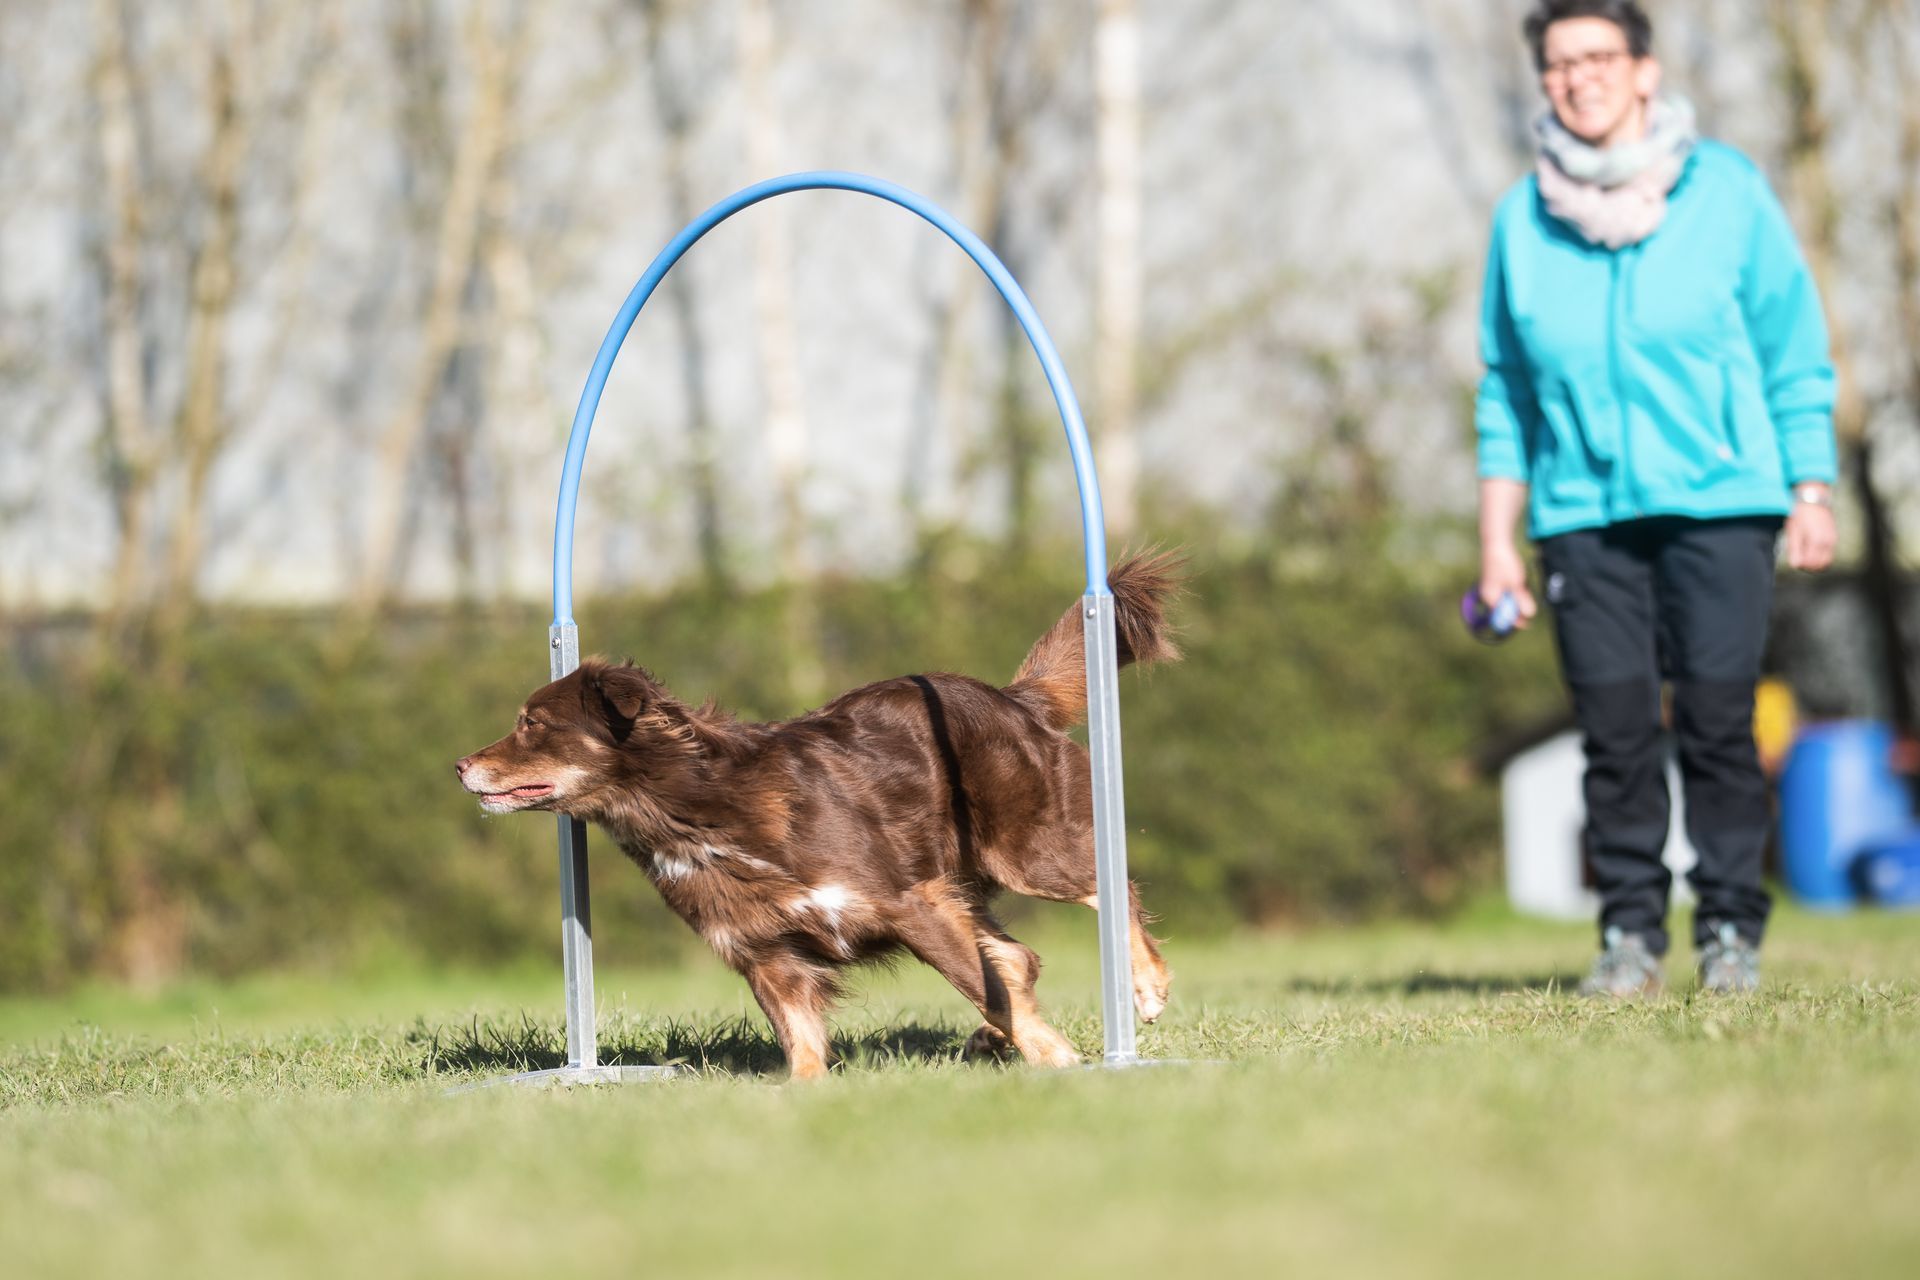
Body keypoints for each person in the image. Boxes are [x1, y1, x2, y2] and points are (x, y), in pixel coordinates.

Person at [1474, 0, 1839, 995]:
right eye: (1559, 64)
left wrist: (1810, 484)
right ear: (1545, 82)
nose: (1579, 76)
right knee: (1615, 732)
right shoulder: (1523, 218)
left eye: (1599, 55)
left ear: (1644, 70)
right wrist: (1498, 540)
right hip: (1582, 512)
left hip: (1723, 500)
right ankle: (1630, 934)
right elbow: (1505, 390)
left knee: (1719, 720)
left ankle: (1729, 930)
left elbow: (1792, 348)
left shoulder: (1726, 190)